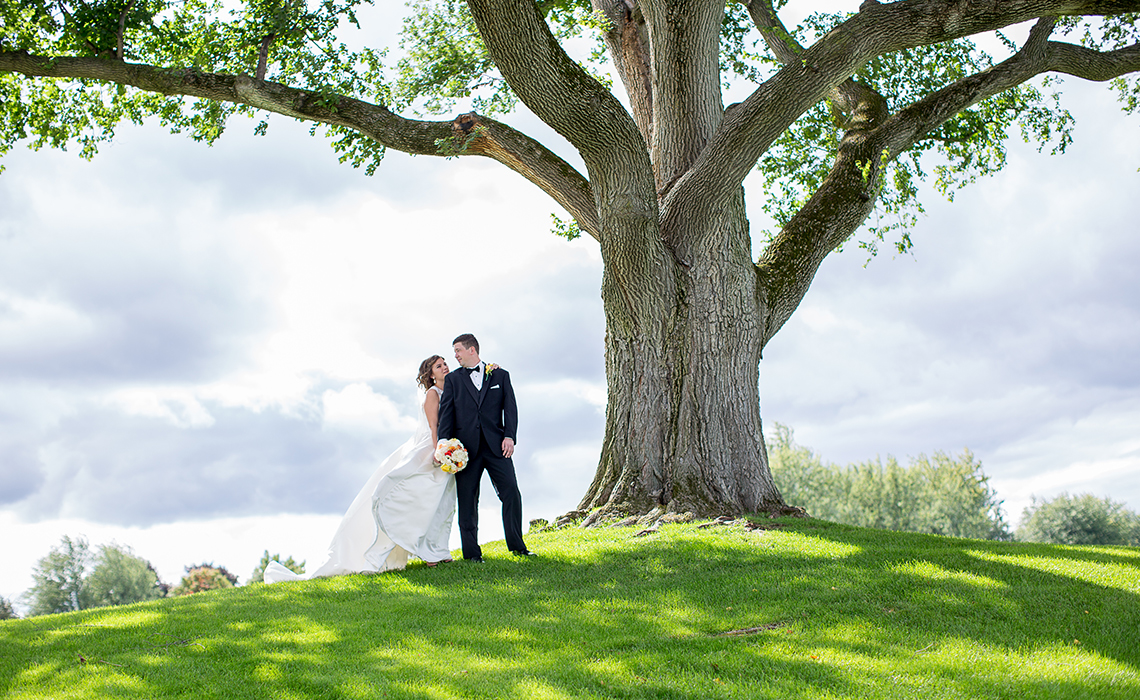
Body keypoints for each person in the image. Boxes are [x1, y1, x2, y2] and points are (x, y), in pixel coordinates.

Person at [264, 355, 457, 583]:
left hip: (444, 450)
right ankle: (403, 554)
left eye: (445, 363)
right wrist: (438, 451)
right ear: (431, 375)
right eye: (439, 366)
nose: (445, 367)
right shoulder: (433, 394)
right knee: (415, 502)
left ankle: (435, 551)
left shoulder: (451, 389)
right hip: (429, 450)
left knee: (437, 503)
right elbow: (433, 426)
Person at [437, 333, 532, 562]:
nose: (456, 356)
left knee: (511, 492)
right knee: (468, 501)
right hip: (465, 452)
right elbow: (446, 414)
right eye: (454, 352)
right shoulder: (453, 380)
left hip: (497, 446)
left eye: (458, 350)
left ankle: (518, 547)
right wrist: (445, 445)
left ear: (472, 350)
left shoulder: (500, 374)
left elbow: (510, 409)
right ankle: (471, 554)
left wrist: (510, 436)